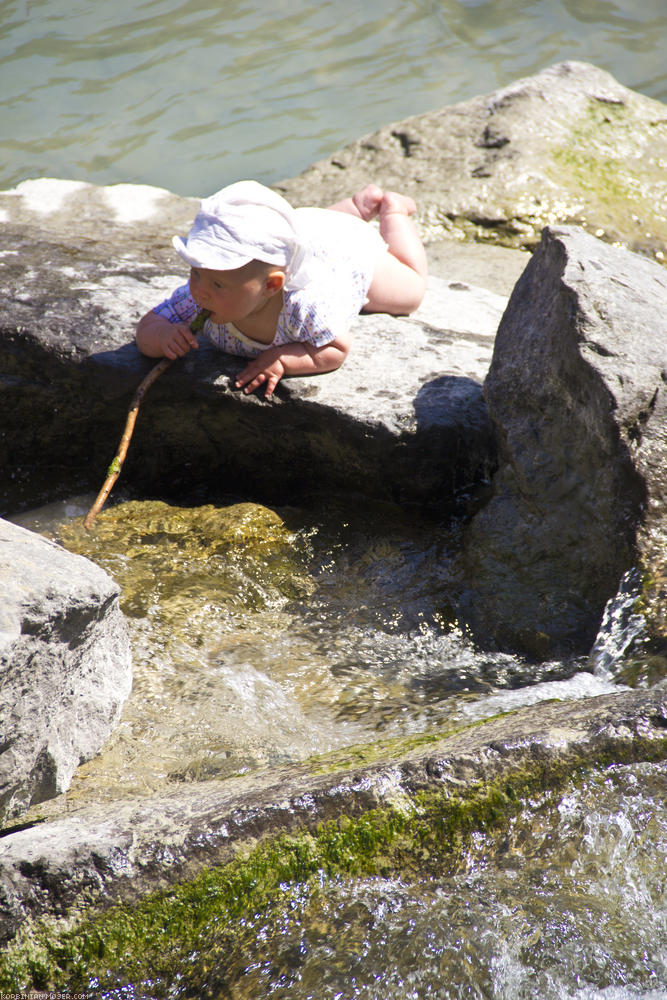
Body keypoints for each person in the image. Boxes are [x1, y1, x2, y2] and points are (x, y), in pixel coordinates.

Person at [135, 179, 427, 398]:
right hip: (302, 230)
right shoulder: (198, 300)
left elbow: (337, 346)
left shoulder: (301, 306)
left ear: (271, 285)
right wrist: (163, 336)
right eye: (195, 272)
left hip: (343, 251)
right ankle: (357, 206)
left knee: (410, 294)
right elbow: (149, 326)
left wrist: (284, 359)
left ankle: (393, 213)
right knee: (306, 231)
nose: (200, 290)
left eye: (218, 283)